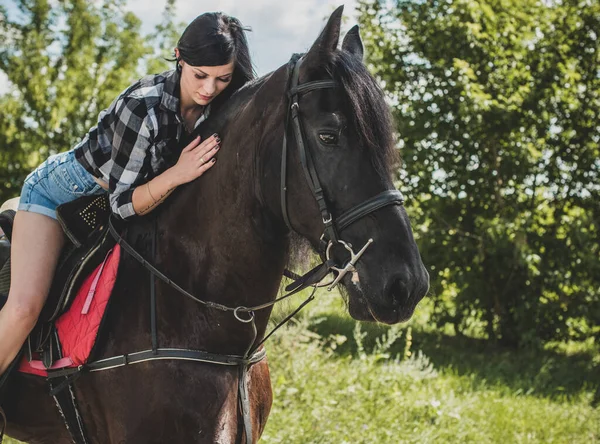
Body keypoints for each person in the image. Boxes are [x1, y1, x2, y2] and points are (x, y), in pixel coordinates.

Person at [0, 12, 255, 376]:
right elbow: (122, 205)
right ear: (179, 56)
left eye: (222, 78)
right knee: (25, 308)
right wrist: (177, 174)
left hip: (115, 204)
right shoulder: (143, 105)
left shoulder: (216, 104)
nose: (209, 89)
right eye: (200, 75)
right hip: (59, 196)